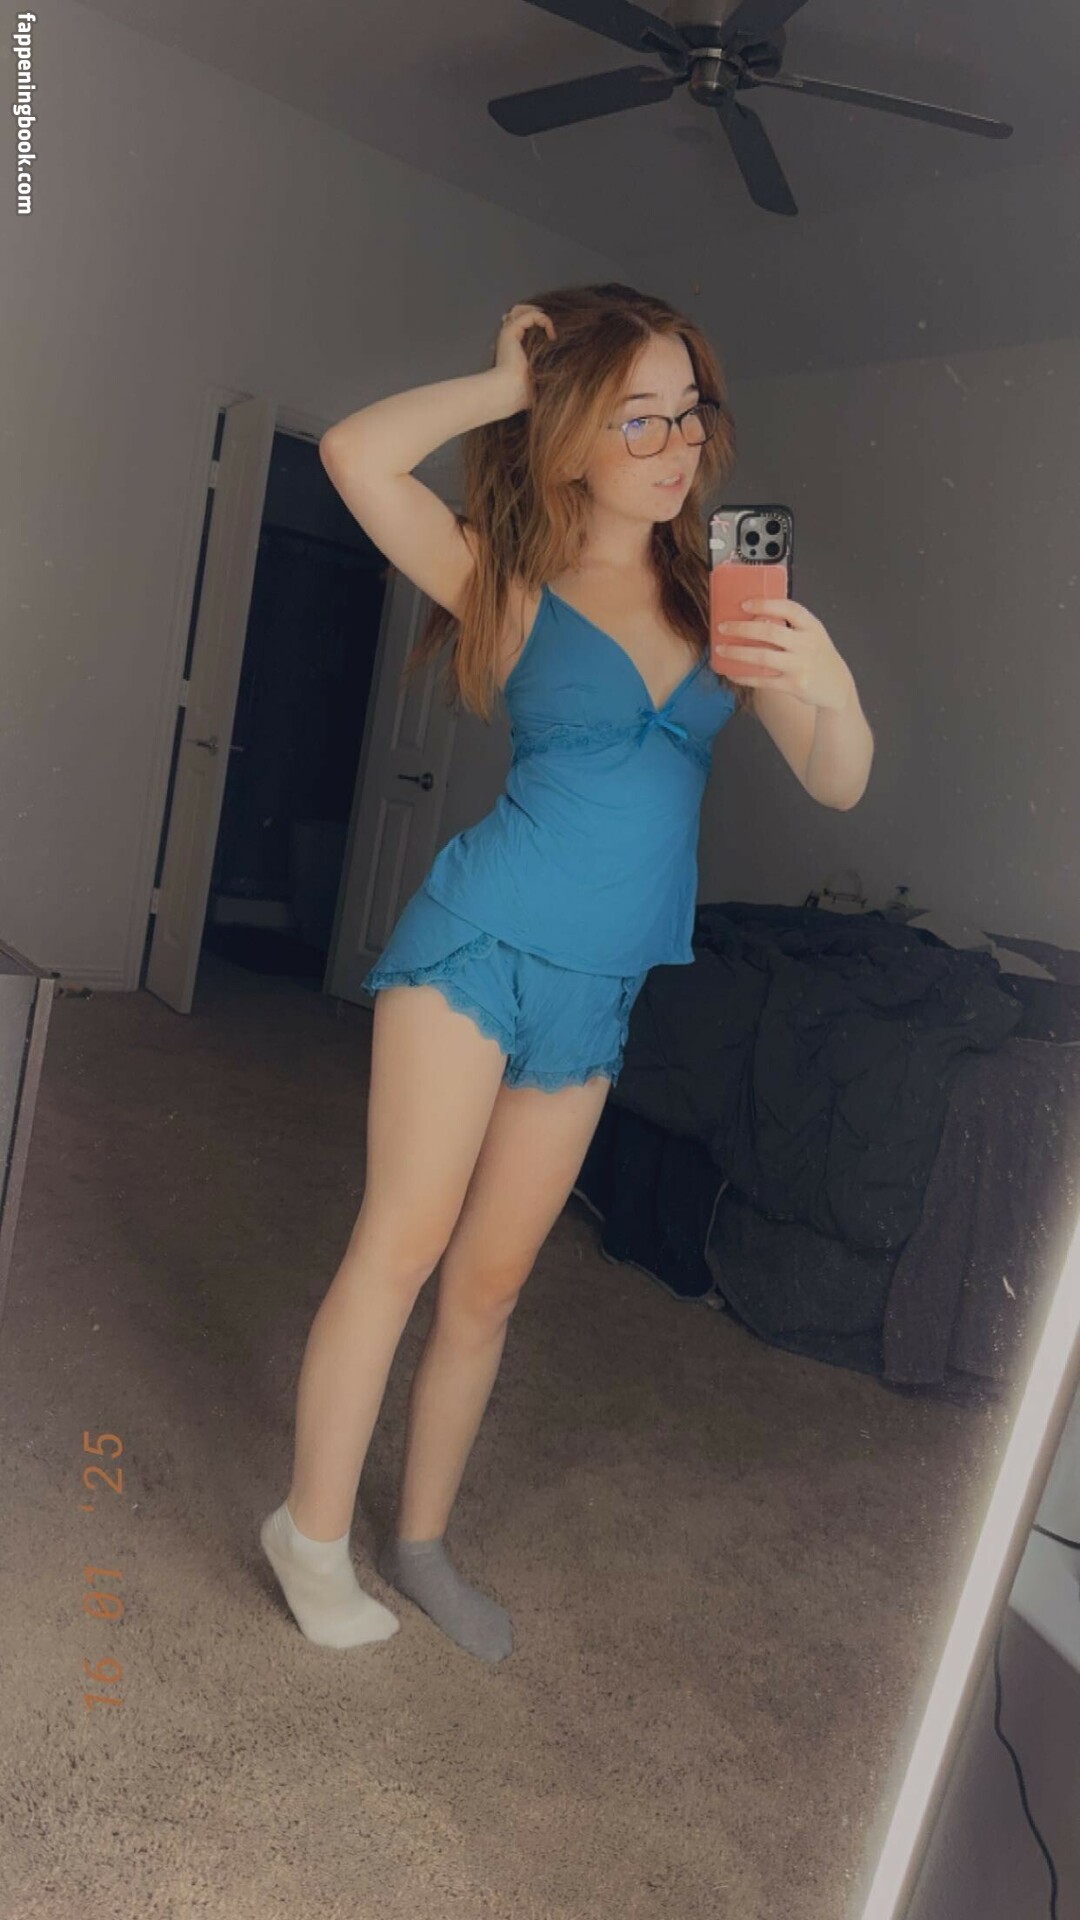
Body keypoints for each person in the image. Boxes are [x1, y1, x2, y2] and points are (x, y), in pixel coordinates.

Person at [260, 282, 874, 1662]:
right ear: (575, 433)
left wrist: (830, 679)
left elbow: (837, 782)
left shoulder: (725, 605)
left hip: (600, 991)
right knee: (401, 1246)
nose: (673, 446)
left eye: (687, 414)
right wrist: (502, 386)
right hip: (477, 948)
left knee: (489, 1288)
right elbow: (355, 454)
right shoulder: (506, 579)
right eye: (635, 417)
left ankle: (420, 1544)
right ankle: (308, 1535)